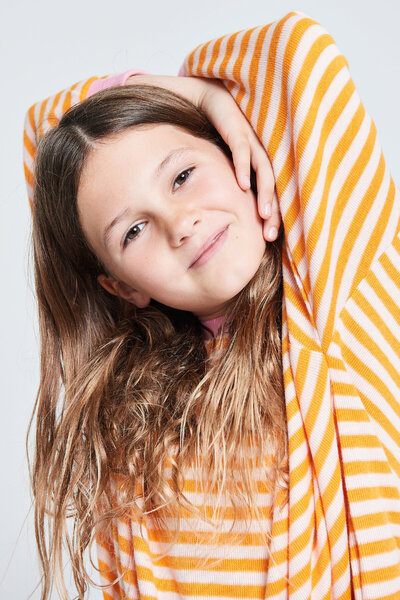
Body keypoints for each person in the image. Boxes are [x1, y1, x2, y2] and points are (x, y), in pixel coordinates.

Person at [24, 11, 400, 600]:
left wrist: (205, 97)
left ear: (234, 148)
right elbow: (43, 140)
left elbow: (300, 52)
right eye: (133, 232)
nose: (179, 224)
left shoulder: (328, 300)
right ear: (121, 287)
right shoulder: (133, 410)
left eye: (182, 176)